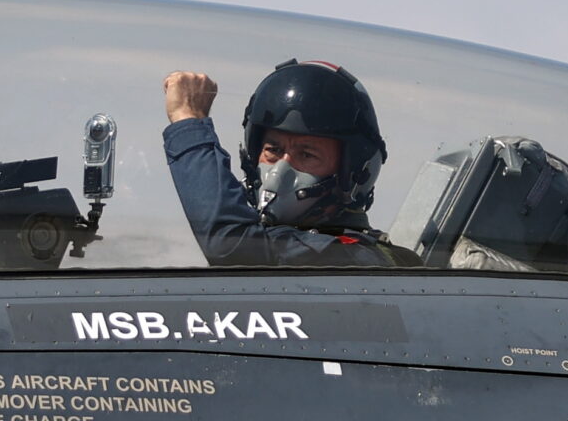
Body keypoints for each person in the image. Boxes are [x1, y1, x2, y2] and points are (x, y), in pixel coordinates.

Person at [162, 60, 416, 268]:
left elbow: (232, 246)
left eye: (307, 155)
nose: (277, 173)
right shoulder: (278, 250)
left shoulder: (354, 259)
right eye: (273, 151)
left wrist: (188, 122)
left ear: (350, 175)